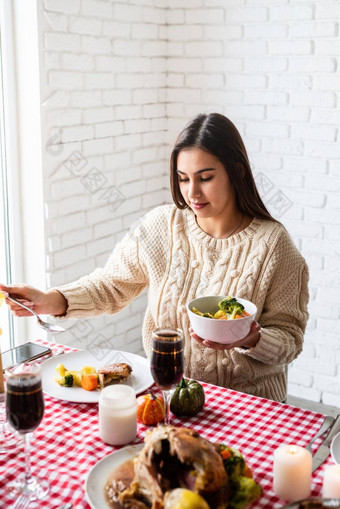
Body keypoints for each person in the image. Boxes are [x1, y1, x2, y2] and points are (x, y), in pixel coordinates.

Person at [0, 113, 309, 402]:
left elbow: (290, 340)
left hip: (250, 404)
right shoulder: (161, 226)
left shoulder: (274, 245)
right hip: (169, 394)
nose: (193, 193)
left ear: (237, 171)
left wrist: (250, 339)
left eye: (205, 177)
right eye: (184, 178)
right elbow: (110, 286)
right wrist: (48, 300)